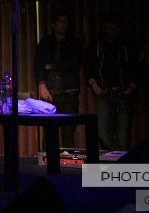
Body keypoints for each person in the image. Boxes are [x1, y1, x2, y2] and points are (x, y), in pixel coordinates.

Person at [84, 16, 137, 151]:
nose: (112, 32)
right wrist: (94, 85)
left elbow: (136, 67)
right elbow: (88, 67)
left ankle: (121, 162)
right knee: (102, 132)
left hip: (123, 93)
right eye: (110, 29)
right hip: (105, 93)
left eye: (115, 29)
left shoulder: (125, 46)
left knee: (123, 136)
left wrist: (131, 87)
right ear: (104, 29)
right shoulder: (96, 45)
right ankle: (120, 157)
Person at [34, 9, 83, 148]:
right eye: (60, 22)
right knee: (49, 131)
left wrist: (52, 66)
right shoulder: (46, 42)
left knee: (68, 131)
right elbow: (39, 65)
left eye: (66, 21)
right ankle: (46, 162)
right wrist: (41, 84)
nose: (64, 25)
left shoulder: (74, 42)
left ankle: (70, 165)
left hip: (69, 92)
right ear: (53, 24)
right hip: (50, 92)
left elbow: (74, 65)